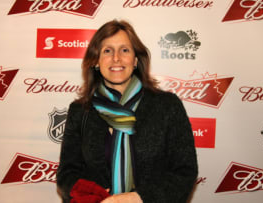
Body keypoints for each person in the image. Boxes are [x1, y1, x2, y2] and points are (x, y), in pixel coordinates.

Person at [56, 19, 198, 203]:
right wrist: (90, 197)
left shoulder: (167, 106)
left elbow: (184, 172)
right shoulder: (80, 111)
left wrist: (138, 198)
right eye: (107, 51)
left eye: (124, 50)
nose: (116, 58)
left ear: (136, 59)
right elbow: (67, 174)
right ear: (96, 61)